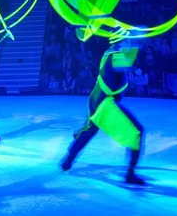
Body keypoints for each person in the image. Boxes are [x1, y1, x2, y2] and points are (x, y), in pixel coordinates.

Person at [60, 36, 145, 185]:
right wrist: (137, 42)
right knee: (136, 131)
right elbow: (125, 63)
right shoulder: (116, 56)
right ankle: (130, 174)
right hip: (104, 103)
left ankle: (68, 159)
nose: (129, 44)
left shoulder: (110, 53)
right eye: (127, 42)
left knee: (89, 130)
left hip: (96, 99)